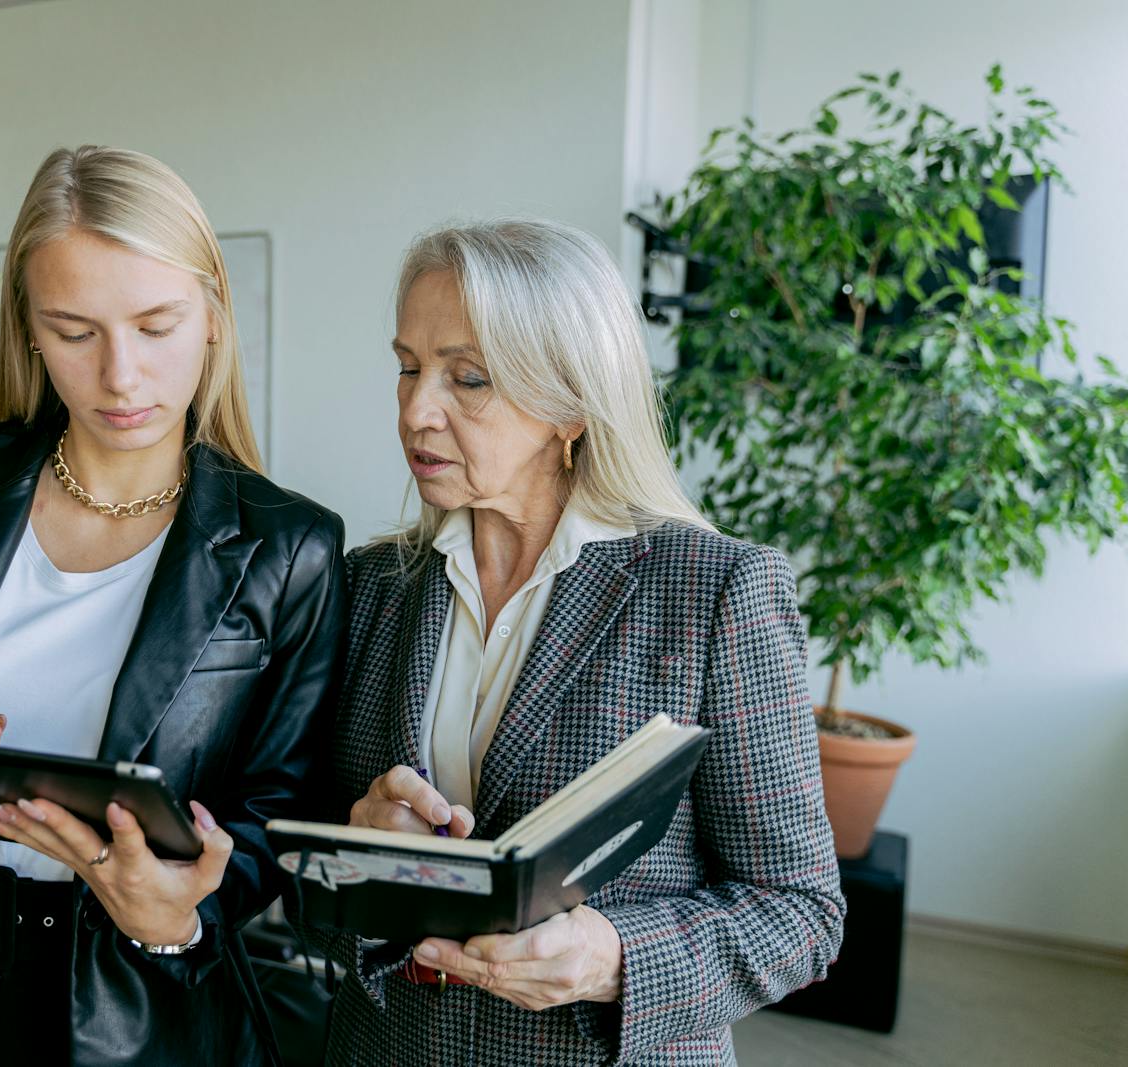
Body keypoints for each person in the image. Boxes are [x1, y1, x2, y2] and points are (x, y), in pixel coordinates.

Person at [0, 146, 346, 1066]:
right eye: (76, 331)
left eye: (156, 324)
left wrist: (184, 903)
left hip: (137, 1008)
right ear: (31, 333)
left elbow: (276, 818)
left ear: (212, 316)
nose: (121, 376)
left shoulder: (291, 549)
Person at [321, 219, 845, 1065]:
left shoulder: (715, 592)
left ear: (569, 403)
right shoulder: (370, 586)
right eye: (408, 367)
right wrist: (361, 840)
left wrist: (615, 958)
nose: (417, 409)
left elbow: (800, 912)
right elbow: (301, 846)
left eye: (469, 378)